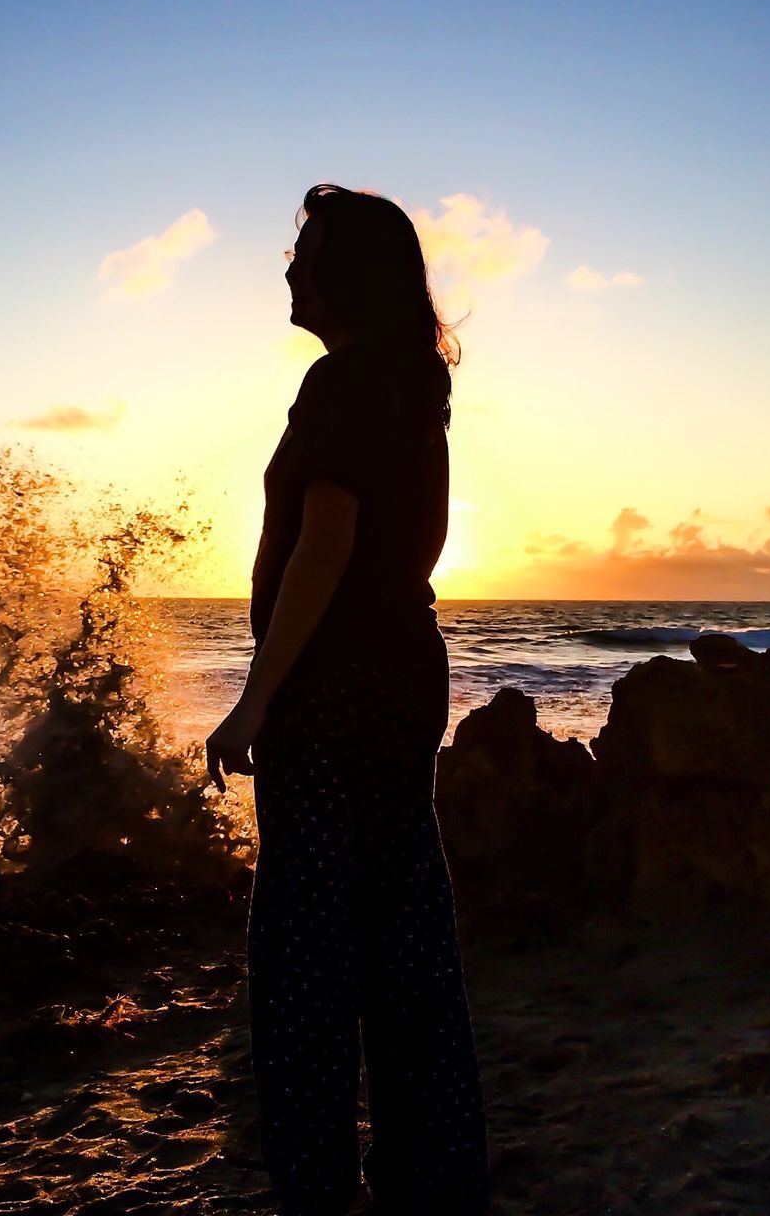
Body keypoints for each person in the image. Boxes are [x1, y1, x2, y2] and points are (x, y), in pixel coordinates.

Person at [206, 183, 490, 1216]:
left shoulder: (341, 382)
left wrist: (255, 697)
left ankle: (317, 1190)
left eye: (305, 249)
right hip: (402, 672)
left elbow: (323, 546)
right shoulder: (411, 379)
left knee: (306, 958)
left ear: (348, 270)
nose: (289, 266)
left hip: (332, 690)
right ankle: (435, 1176)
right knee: (402, 934)